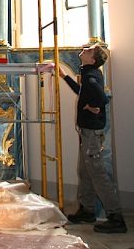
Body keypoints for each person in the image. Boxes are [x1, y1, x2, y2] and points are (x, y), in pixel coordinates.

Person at [59, 43, 127, 234]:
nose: (85, 49)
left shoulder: (90, 76)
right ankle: (87, 211)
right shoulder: (89, 73)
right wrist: (64, 76)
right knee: (85, 172)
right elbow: (82, 92)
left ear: (92, 59)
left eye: (89, 50)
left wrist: (92, 107)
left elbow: (101, 98)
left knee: (97, 174)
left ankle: (115, 217)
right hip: (87, 133)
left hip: (91, 135)